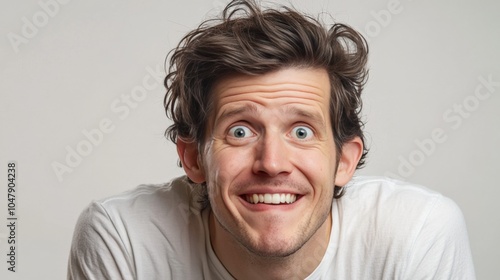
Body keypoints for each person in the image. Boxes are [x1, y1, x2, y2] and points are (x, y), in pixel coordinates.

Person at [67, 0, 475, 279]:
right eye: (240, 131)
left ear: (345, 161)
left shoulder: (417, 232)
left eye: (302, 131)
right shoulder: (124, 236)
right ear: (193, 158)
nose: (272, 162)